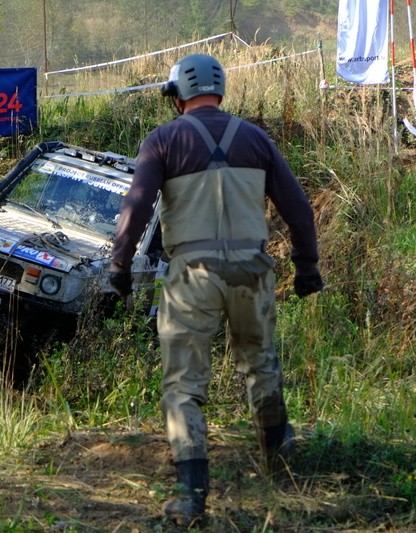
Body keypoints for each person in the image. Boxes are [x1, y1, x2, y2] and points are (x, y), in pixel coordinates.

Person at [108, 53, 323, 525]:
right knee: (260, 363)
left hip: (192, 274)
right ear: (219, 90)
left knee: (184, 384)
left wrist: (119, 267)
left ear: (177, 95)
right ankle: (277, 466)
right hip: (252, 270)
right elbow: (299, 209)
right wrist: (306, 267)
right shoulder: (255, 138)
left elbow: (136, 207)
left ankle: (191, 495)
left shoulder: (163, 140)